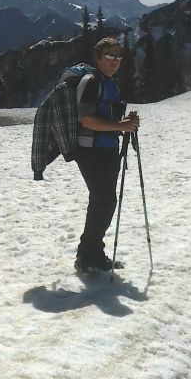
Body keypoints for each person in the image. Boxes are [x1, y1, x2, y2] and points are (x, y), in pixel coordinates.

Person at [73, 37, 140, 273]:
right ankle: (88, 257)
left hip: (106, 149)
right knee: (104, 201)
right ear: (98, 58)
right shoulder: (91, 82)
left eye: (118, 58)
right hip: (90, 150)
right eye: (110, 57)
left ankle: (91, 255)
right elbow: (86, 119)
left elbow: (108, 118)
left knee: (102, 202)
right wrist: (120, 127)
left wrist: (125, 124)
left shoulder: (109, 83)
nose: (115, 62)